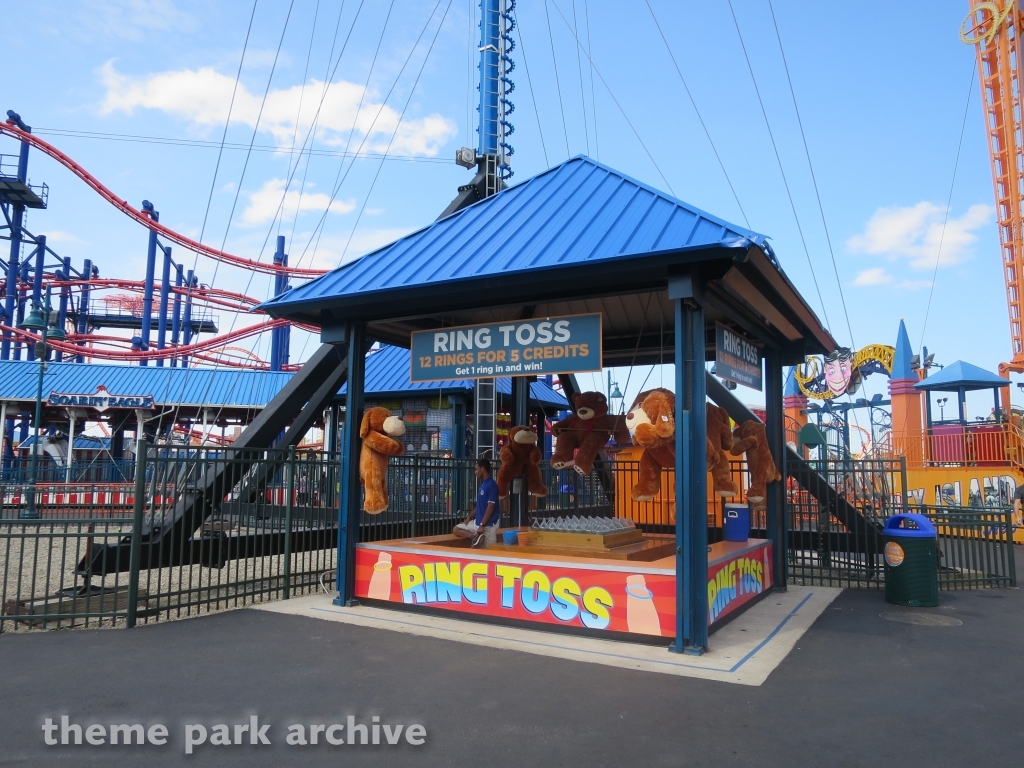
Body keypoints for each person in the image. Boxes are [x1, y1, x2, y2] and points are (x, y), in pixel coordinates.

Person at [453, 458, 500, 548]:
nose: (475, 472)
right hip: (476, 524)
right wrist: (468, 518)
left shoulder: (492, 485)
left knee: (489, 554)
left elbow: (490, 506)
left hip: (488, 527)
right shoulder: (483, 484)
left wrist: (482, 525)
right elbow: (480, 506)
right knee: (456, 529)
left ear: (482, 469)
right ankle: (474, 537)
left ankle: (477, 537)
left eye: (476, 469)